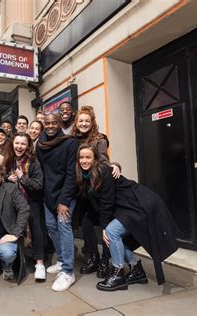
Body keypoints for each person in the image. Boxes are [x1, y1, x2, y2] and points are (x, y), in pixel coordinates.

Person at [75, 144, 178, 291]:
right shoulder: (84, 174)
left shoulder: (103, 171)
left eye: (88, 157)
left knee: (112, 232)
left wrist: (104, 227)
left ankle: (118, 275)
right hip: (126, 207)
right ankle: (136, 270)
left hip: (138, 203)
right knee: (115, 235)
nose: (84, 160)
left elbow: (107, 201)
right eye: (81, 157)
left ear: (96, 159)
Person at [71, 105, 121, 278]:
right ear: (76, 123)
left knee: (105, 225)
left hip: (98, 190)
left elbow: (104, 161)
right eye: (80, 121)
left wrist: (115, 165)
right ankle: (93, 257)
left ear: (92, 123)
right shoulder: (72, 139)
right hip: (82, 192)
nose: (83, 124)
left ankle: (105, 261)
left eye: (87, 121)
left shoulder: (99, 139)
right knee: (85, 225)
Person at [36, 113, 78, 292]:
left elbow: (71, 174)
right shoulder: (40, 143)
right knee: (51, 227)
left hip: (65, 196)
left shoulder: (70, 142)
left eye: (54, 123)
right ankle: (61, 261)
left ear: (60, 123)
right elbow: (42, 170)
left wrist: (64, 201)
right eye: (47, 123)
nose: (51, 126)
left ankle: (68, 272)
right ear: (43, 124)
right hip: (48, 195)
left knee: (64, 226)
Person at [5, 133, 46, 280]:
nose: (19, 146)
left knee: (36, 230)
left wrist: (22, 178)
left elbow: (38, 185)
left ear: (28, 146)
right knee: (16, 230)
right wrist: (7, 179)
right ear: (12, 144)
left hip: (31, 201)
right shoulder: (8, 160)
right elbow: (2, 178)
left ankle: (39, 263)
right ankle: (17, 263)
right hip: (14, 203)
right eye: (17, 143)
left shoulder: (33, 162)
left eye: (23, 144)